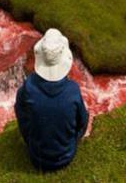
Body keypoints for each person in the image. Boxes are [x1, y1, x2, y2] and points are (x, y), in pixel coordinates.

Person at [15, 28, 89, 172]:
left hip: (36, 157)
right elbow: (82, 122)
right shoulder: (73, 90)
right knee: (84, 114)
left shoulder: (28, 87)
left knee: (24, 110)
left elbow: (20, 112)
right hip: (66, 156)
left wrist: (29, 138)